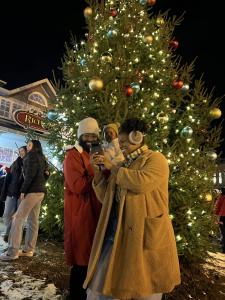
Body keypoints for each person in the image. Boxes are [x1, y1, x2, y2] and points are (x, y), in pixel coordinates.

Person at [84, 118, 181, 300]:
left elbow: (141, 183)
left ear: (137, 138)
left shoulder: (156, 159)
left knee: (145, 288)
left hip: (145, 236)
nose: (120, 146)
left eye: (123, 142)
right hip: (116, 235)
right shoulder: (123, 165)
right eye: (119, 142)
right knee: (106, 289)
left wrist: (111, 166)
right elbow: (106, 198)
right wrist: (97, 172)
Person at [63, 117, 102, 300]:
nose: (89, 139)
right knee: (81, 260)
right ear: (79, 136)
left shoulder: (96, 153)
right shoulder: (72, 155)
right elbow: (78, 185)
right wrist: (98, 171)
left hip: (95, 213)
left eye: (93, 136)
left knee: (92, 259)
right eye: (86, 135)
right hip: (80, 214)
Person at [0, 140, 49, 261]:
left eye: (29, 145)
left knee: (17, 218)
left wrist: (23, 191)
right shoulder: (42, 157)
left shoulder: (31, 156)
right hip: (40, 192)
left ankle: (12, 252)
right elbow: (46, 173)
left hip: (32, 191)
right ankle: (29, 250)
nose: (27, 148)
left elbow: (29, 176)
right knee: (33, 220)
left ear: (34, 147)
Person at [2, 146, 27, 242]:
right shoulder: (15, 163)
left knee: (18, 217)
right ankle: (9, 232)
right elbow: (7, 179)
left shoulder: (29, 164)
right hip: (11, 193)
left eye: (22, 151)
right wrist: (3, 193)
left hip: (22, 195)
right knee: (7, 214)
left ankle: (10, 236)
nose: (20, 153)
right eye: (19, 151)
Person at [215, 187, 225, 253]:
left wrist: (216, 214)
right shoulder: (222, 196)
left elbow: (217, 206)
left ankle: (224, 248)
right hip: (223, 216)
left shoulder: (222, 196)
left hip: (223, 217)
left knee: (223, 233)